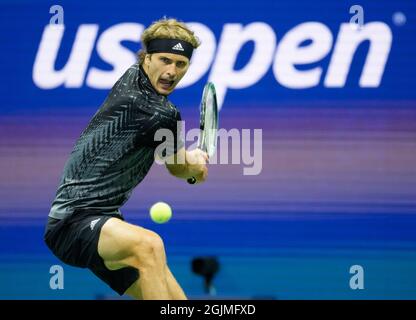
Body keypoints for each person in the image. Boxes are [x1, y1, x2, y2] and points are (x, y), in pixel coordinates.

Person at [44, 18, 208, 300]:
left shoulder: (132, 76)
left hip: (107, 222)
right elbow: (178, 168)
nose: (171, 72)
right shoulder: (159, 113)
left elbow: (173, 156)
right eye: (164, 60)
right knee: (150, 245)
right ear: (147, 58)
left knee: (178, 302)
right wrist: (195, 168)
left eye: (180, 64)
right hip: (73, 225)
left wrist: (188, 159)